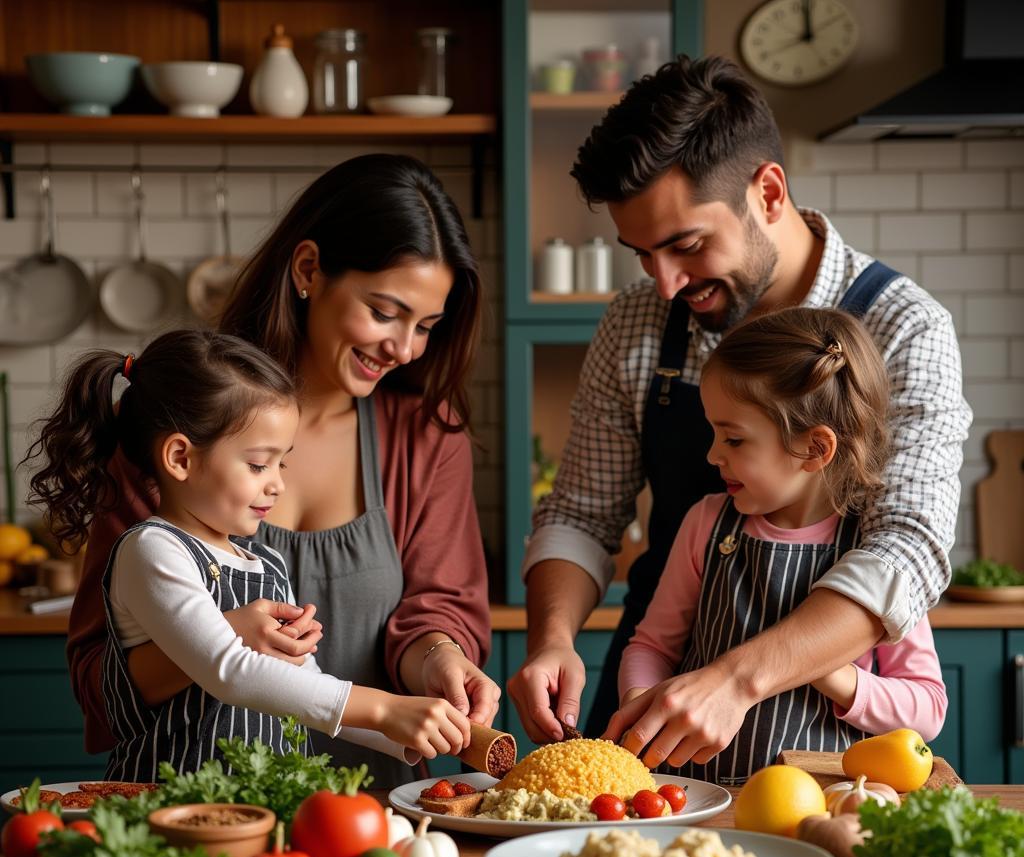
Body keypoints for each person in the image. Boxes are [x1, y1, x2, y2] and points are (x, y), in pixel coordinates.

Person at [509, 55, 970, 763]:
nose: (663, 285)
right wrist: (553, 641)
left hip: (827, 746)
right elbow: (580, 512)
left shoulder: (905, 328)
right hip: (653, 697)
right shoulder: (635, 322)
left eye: (685, 246)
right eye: (642, 254)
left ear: (769, 192)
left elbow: (905, 546)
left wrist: (735, 680)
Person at [66, 155, 499, 788]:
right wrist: (223, 644)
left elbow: (426, 613)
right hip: (197, 810)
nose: (405, 349)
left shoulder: (426, 437)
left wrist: (440, 658)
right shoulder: (178, 428)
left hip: (369, 812)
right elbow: (102, 679)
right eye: (384, 312)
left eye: (426, 326)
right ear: (308, 270)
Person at [28, 331, 473, 780]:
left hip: (255, 803)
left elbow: (308, 684)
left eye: (282, 463)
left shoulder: (265, 564)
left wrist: (405, 735)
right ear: (180, 458)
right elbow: (230, 669)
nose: (277, 483)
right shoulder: (153, 551)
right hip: (164, 804)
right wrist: (382, 709)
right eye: (259, 464)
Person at [607, 308, 947, 781]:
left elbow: (927, 708)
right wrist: (642, 702)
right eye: (713, 433)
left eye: (734, 439)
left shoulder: (875, 552)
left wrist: (829, 671)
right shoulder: (707, 523)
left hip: (823, 808)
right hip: (699, 799)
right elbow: (651, 646)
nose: (712, 454)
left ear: (815, 448)